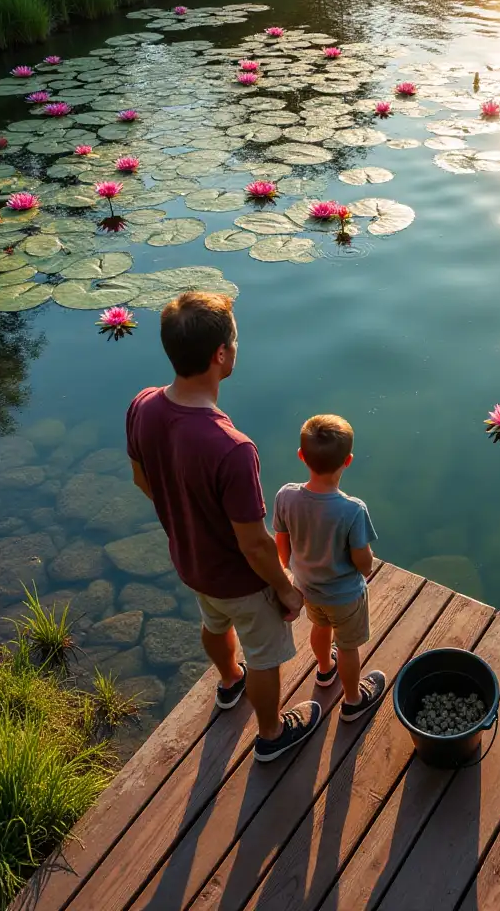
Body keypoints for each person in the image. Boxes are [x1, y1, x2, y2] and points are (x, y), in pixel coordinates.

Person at [126, 291, 321, 762]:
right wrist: (288, 588)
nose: (235, 348)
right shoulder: (232, 448)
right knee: (266, 654)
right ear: (221, 355)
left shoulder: (143, 405)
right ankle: (272, 734)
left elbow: (141, 479)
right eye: (234, 342)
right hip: (240, 580)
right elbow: (253, 544)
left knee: (212, 623)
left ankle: (229, 682)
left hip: (191, 563)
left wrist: (184, 515)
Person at [273, 414, 386, 722]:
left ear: (301, 456)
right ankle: (352, 701)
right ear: (347, 461)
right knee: (348, 647)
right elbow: (362, 559)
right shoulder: (352, 510)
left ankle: (324, 670)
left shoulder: (286, 495)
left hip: (307, 588)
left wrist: (288, 566)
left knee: (319, 627)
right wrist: (367, 568)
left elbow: (281, 539)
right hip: (345, 596)